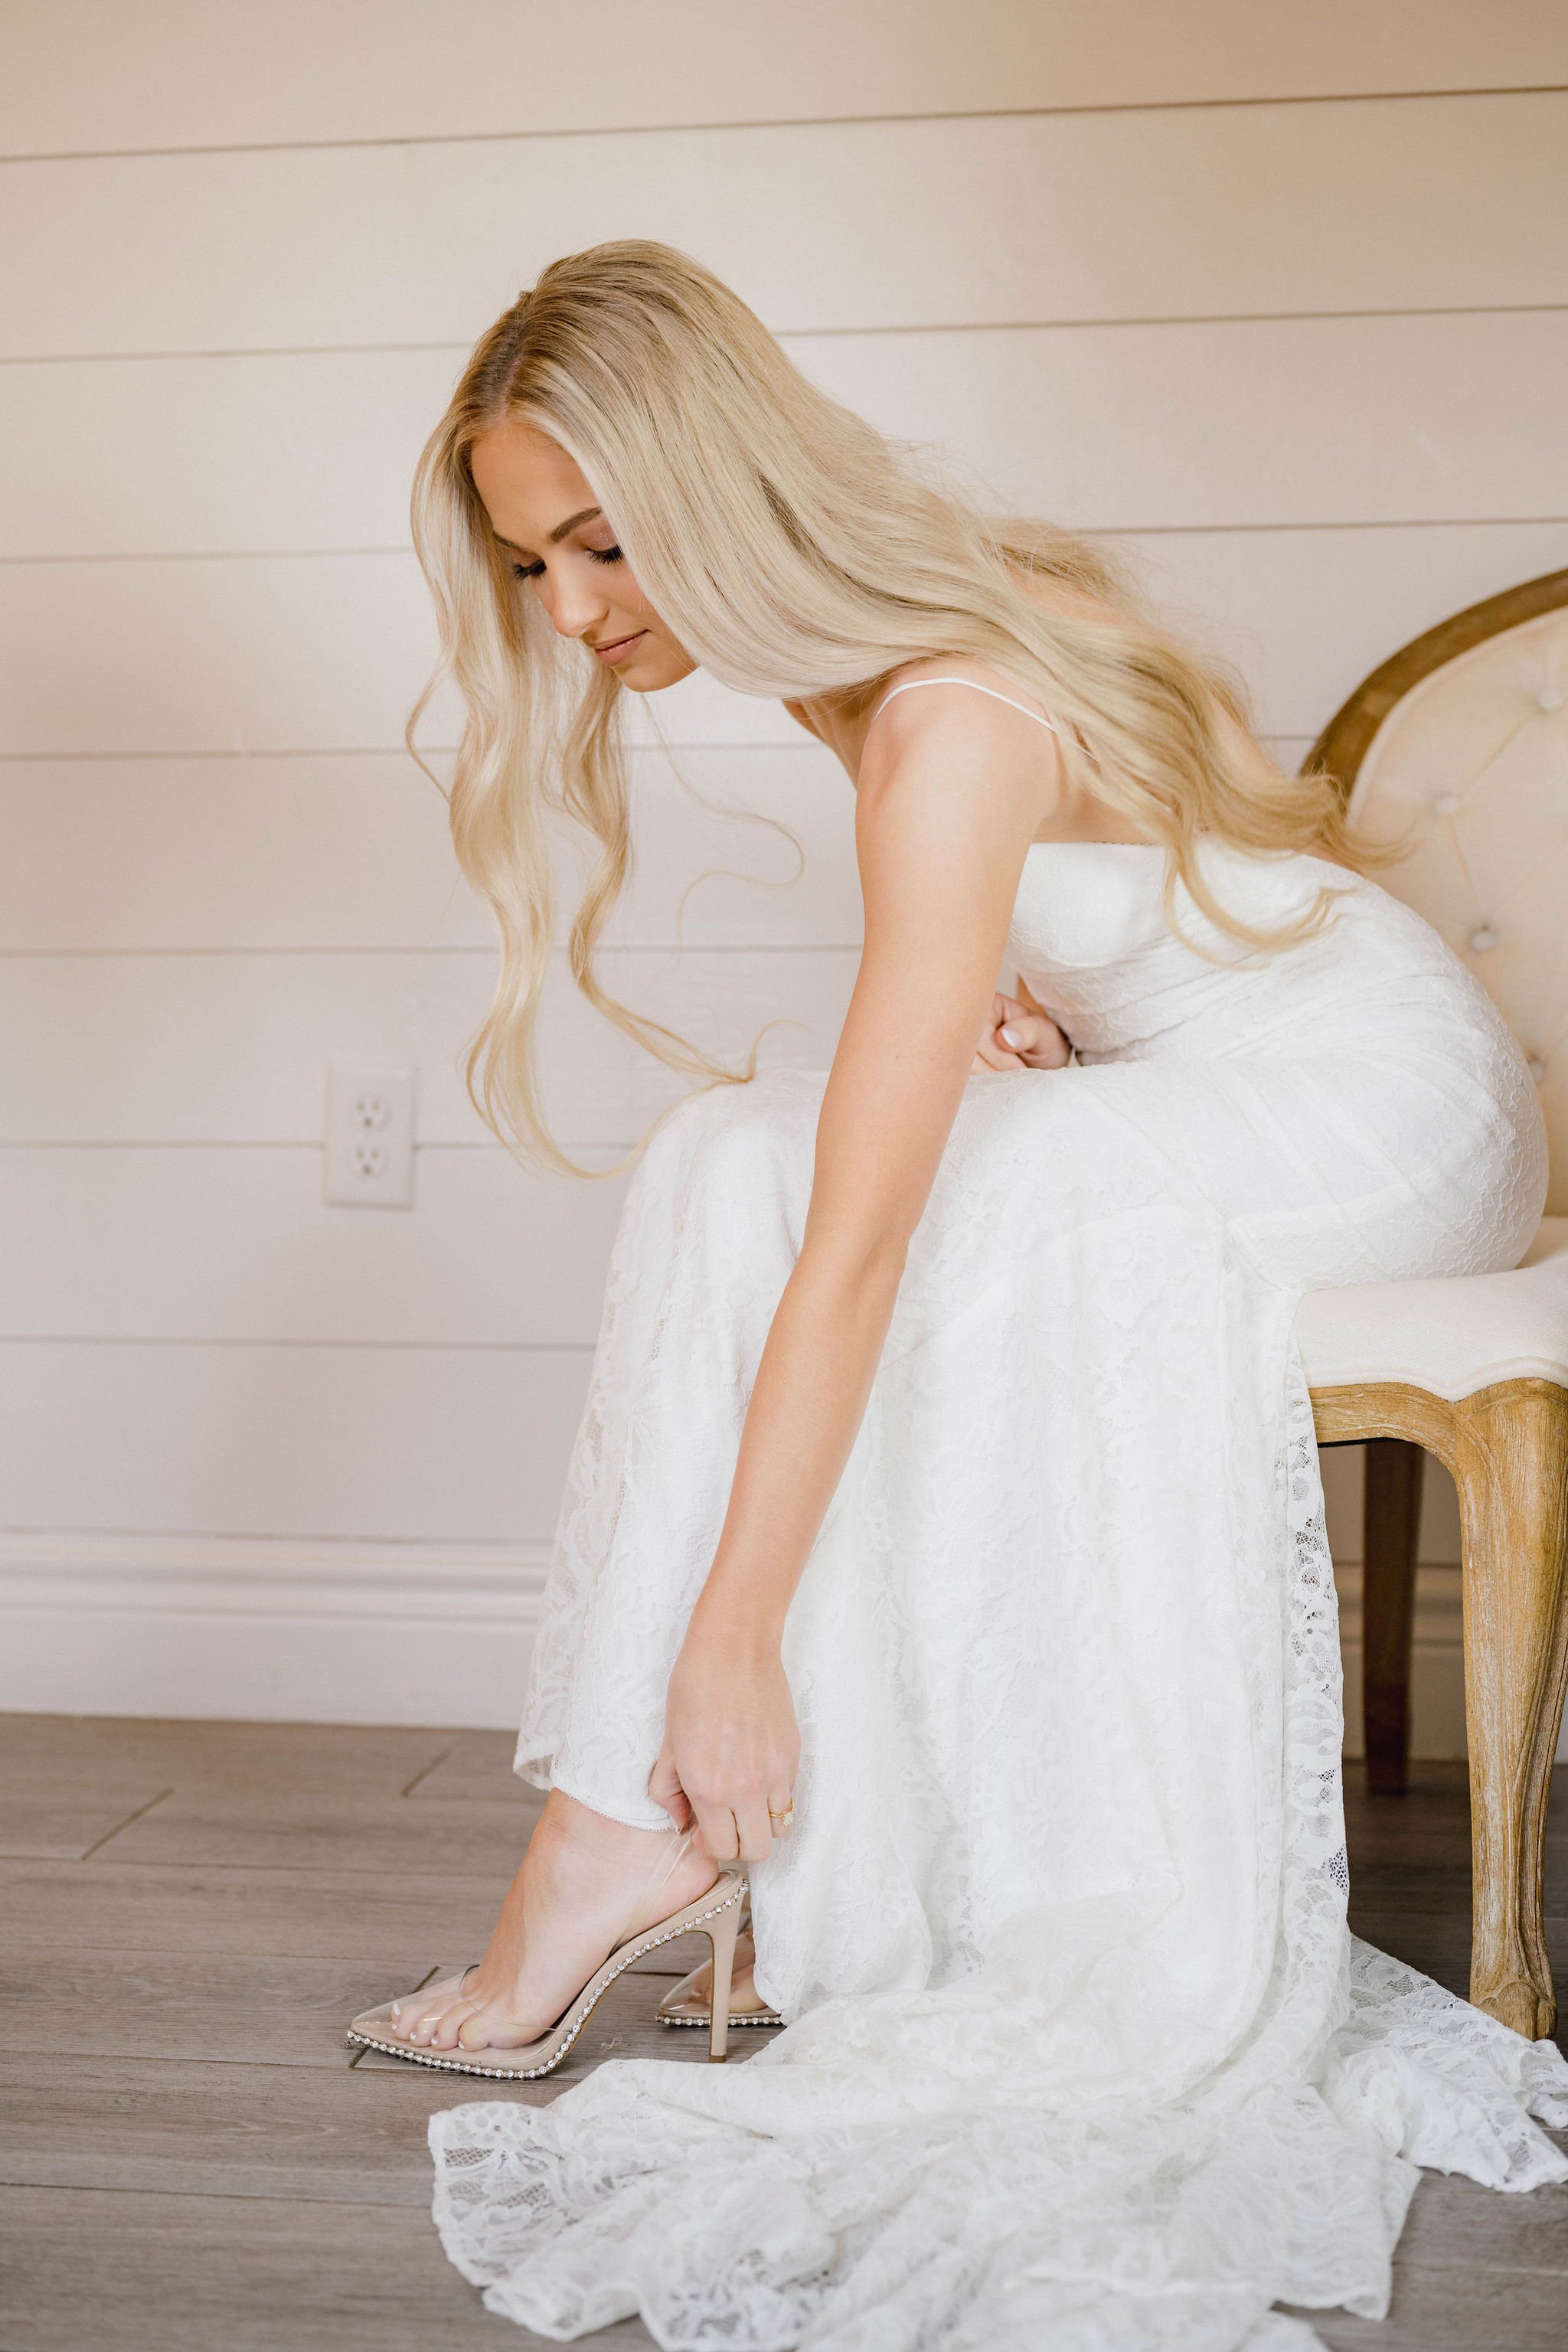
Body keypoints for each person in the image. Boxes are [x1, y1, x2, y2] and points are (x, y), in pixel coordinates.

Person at [346, 243, 1568, 2349]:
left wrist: (736, 1636)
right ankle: (649, 1832)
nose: (570, 612)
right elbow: (1147, 882)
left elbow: (869, 1243)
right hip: (1214, 1065)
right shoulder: (876, 651)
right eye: (534, 562)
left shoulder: (942, 710)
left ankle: (684, 1802)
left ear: (716, 485)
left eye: (603, 542)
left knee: (895, 1203)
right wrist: (1052, 1005)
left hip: (1386, 1100)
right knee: (728, 1153)